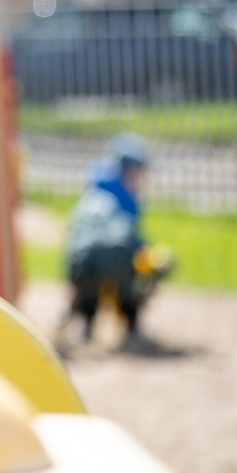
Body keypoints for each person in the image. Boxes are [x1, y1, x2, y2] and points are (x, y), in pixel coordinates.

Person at [61, 133, 174, 354]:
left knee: (90, 277)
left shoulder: (95, 192)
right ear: (130, 169)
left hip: (81, 263)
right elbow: (130, 239)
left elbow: (74, 233)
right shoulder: (124, 198)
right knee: (139, 271)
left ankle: (84, 323)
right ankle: (131, 327)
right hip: (114, 261)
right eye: (139, 170)